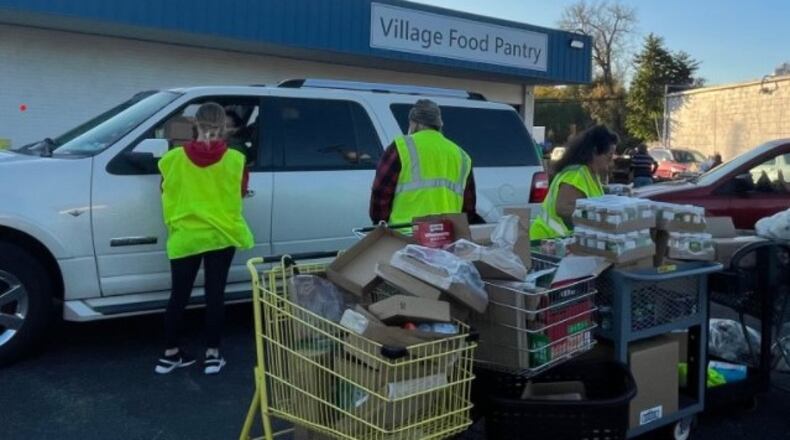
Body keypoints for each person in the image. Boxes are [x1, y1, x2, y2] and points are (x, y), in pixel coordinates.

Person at [155, 102, 254, 375]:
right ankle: (212, 354)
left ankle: (170, 354)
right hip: (221, 235)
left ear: (195, 125)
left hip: (185, 236)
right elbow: (241, 191)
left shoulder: (172, 158)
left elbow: (164, 190)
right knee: (215, 295)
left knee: (178, 296)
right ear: (224, 126)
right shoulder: (236, 159)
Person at [369, 99, 482, 225]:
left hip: (407, 234)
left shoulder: (401, 147)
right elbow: (468, 208)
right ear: (438, 125)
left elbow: (381, 192)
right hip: (447, 235)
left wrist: (379, 221)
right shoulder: (462, 156)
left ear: (415, 123)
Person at [530, 125, 619, 240]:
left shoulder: (591, 175)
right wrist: (598, 217)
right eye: (609, 156)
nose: (611, 163)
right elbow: (563, 208)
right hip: (546, 239)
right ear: (595, 152)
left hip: (556, 241)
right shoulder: (576, 174)